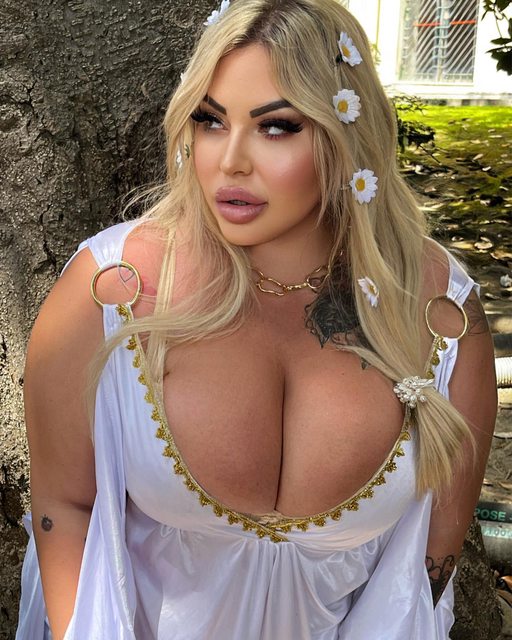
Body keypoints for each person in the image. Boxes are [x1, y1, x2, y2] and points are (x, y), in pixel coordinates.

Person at [17, 1, 497, 638]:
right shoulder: (111, 289)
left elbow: (426, 570)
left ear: (346, 134)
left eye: (276, 127)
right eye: (211, 121)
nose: (231, 161)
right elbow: (64, 506)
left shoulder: (440, 314)